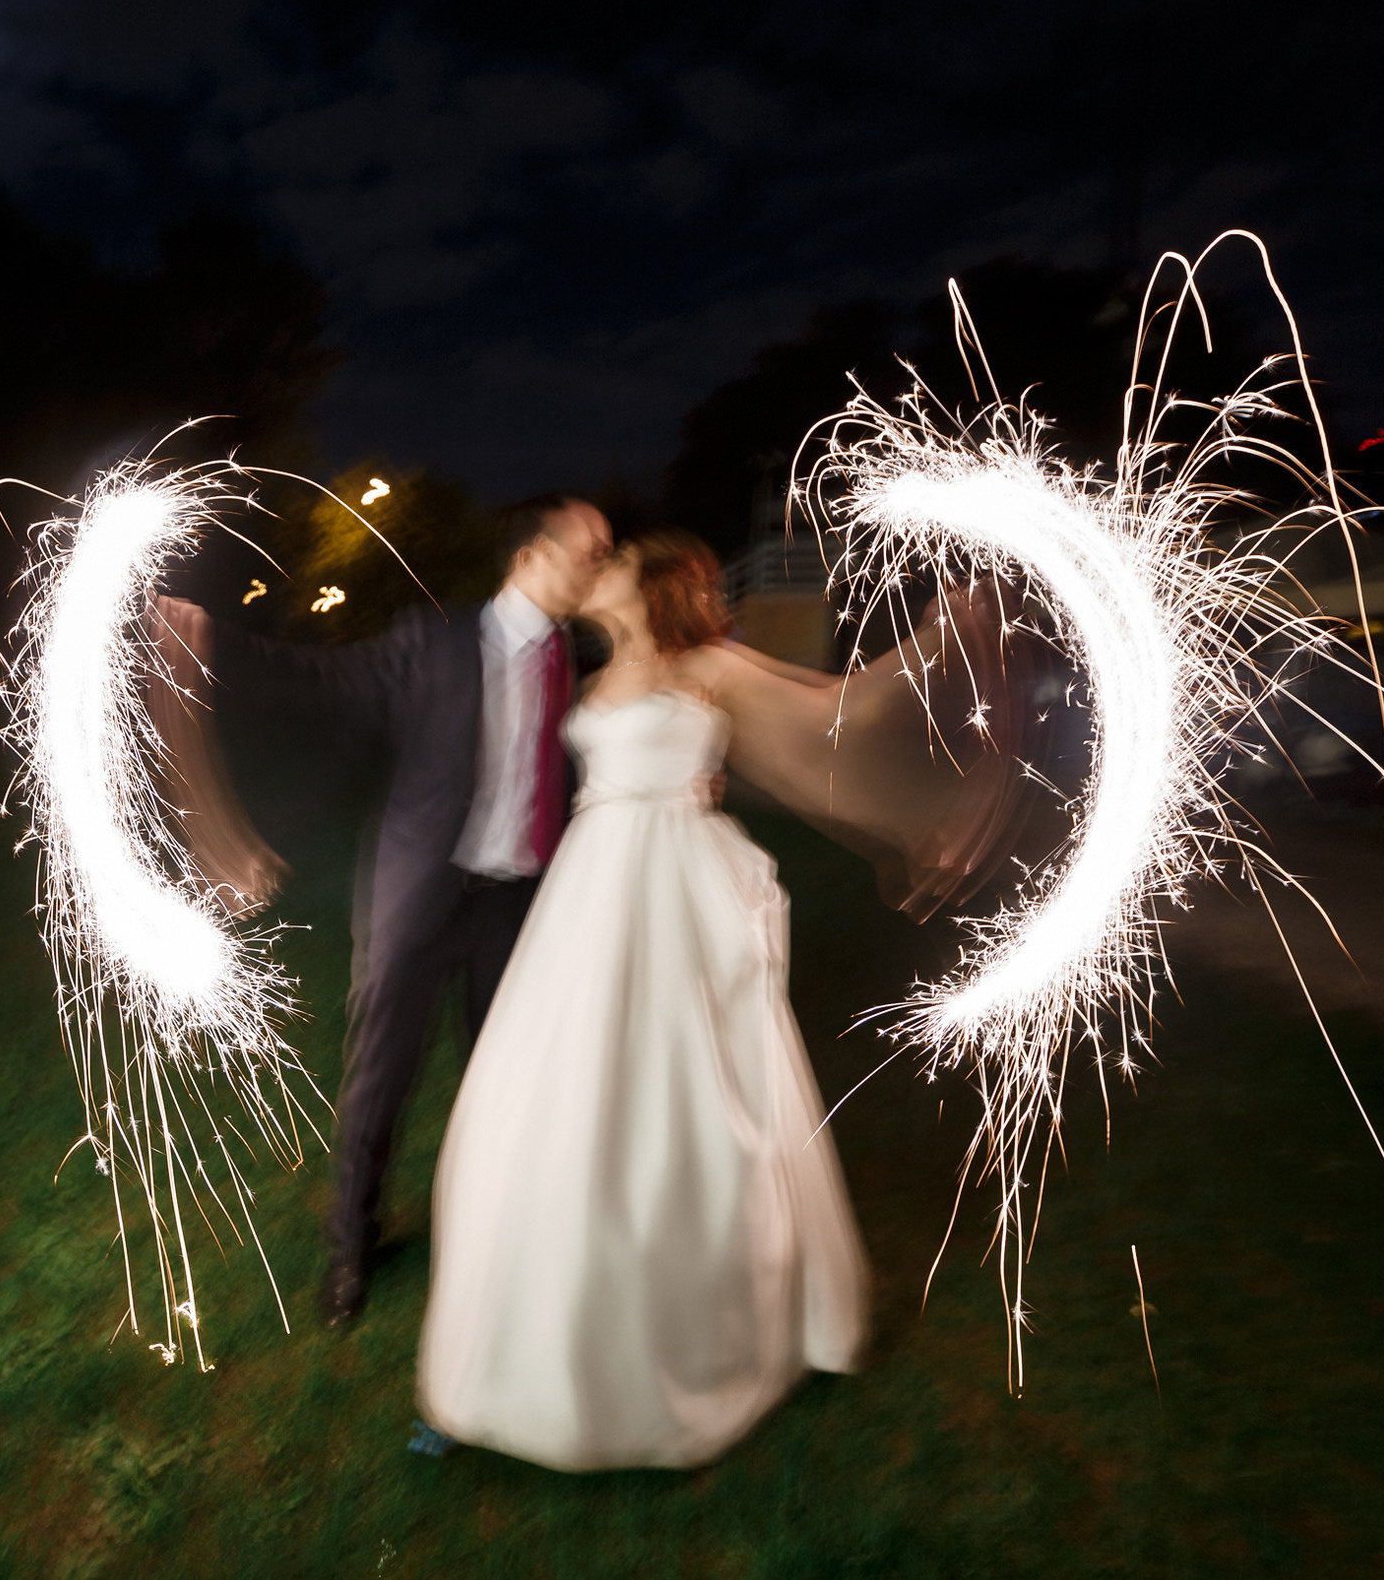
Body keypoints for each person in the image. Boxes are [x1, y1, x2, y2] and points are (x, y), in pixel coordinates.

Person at [413, 530, 1029, 1471]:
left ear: (652, 585)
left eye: (611, 560)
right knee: (552, 1089)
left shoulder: (710, 666)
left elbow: (840, 714)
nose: (596, 567)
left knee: (683, 1088)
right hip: (589, 896)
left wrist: (944, 634)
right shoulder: (590, 675)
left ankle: (696, 1328)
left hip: (671, 891)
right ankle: (505, 1359)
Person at [157, 494, 615, 1327]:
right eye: (590, 550)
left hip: (517, 906)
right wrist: (214, 639)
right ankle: (351, 1250)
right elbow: (320, 680)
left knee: (507, 1079)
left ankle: (497, 1236)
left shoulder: (578, 657)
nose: (600, 565)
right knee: (382, 1078)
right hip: (420, 897)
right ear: (532, 556)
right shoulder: (432, 642)